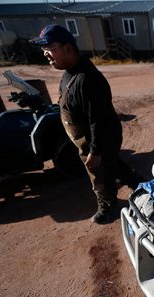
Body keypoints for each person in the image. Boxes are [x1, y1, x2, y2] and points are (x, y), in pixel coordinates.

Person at [30, 24, 122, 224]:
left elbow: (99, 119)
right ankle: (132, 179)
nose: (45, 54)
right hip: (88, 140)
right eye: (43, 49)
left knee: (100, 177)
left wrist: (95, 151)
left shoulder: (87, 79)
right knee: (113, 166)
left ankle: (108, 207)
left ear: (68, 48)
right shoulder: (69, 72)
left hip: (97, 141)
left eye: (49, 47)